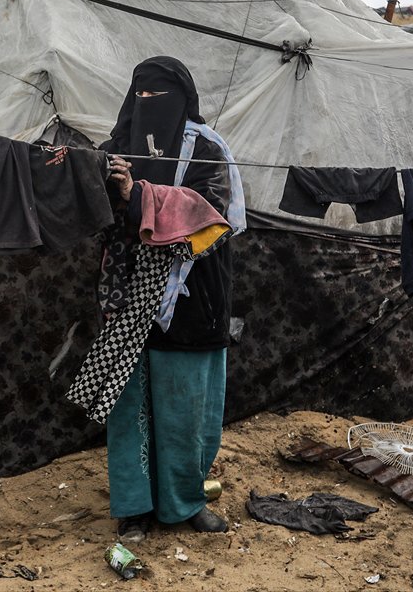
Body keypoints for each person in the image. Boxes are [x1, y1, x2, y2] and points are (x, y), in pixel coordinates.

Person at [99, 55, 244, 541]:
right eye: (139, 95)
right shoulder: (116, 148)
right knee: (130, 404)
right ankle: (135, 508)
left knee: (187, 407)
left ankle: (185, 502)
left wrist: (138, 196)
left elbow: (214, 215)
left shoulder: (207, 148)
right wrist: (101, 183)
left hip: (192, 295)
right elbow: (94, 213)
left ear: (184, 100)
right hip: (127, 294)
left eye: (158, 96)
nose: (148, 105)